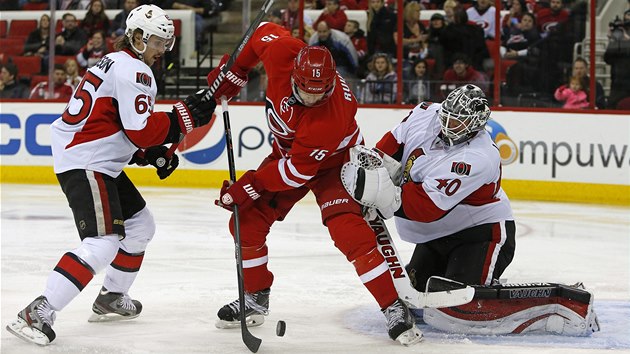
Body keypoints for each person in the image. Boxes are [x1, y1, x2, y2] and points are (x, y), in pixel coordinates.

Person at [6, 5, 216, 346]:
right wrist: (185, 116)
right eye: (158, 42)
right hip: (88, 162)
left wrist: (149, 154)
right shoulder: (135, 70)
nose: (163, 49)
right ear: (136, 38)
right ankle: (39, 310)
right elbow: (142, 130)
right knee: (103, 243)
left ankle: (110, 297)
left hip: (93, 157)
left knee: (140, 226)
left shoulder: (114, 62)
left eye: (166, 42)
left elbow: (115, 125)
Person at [205, 22, 422, 346]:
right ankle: (255, 297)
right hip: (288, 155)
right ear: (294, 72)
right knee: (245, 221)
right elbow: (261, 32)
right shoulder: (282, 53)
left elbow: (296, 173)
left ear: (331, 83)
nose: (311, 96)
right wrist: (236, 73)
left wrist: (250, 184)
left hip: (334, 164)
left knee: (349, 233)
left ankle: (393, 306)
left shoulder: (331, 116)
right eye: (305, 89)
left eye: (319, 91)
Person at [342, 83, 600, 337]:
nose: (447, 125)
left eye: (457, 122)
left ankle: (555, 303)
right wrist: (374, 170)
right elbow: (392, 145)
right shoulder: (425, 112)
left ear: (475, 125)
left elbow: (424, 207)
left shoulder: (478, 157)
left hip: (481, 235)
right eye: (447, 117)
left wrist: (380, 194)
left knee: (457, 308)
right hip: (435, 237)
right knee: (412, 295)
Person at [603, 10, 630, 109]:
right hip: (618, 84)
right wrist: (612, 41)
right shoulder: (618, 35)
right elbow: (607, 59)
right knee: (611, 108)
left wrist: (627, 42)